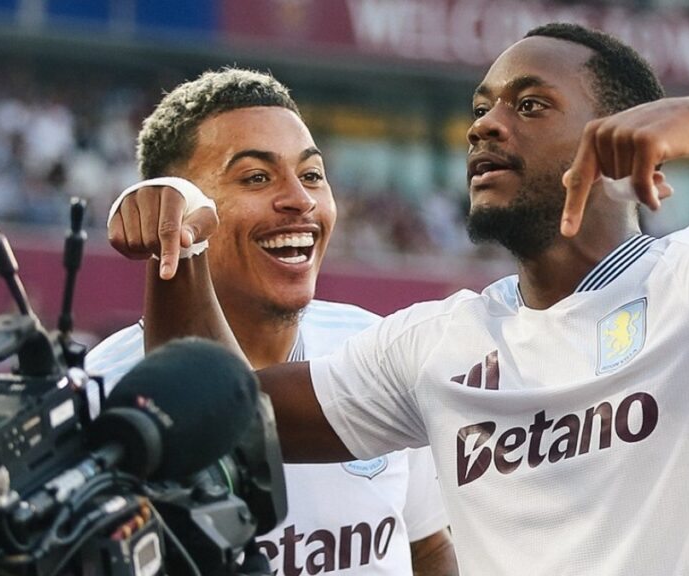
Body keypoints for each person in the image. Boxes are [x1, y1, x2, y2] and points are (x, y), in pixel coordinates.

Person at [108, 25, 689, 575]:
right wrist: (178, 241)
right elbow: (217, 420)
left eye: (529, 104)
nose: (484, 125)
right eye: (479, 110)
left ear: (627, 136)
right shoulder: (436, 343)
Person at [87, 68, 457, 576]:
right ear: (172, 208)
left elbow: (428, 546)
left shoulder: (373, 349)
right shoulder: (105, 392)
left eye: (311, 175)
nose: (300, 200)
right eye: (256, 177)